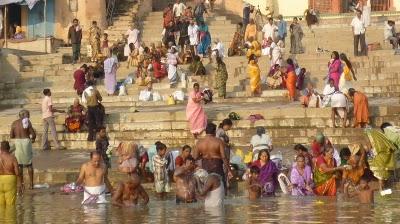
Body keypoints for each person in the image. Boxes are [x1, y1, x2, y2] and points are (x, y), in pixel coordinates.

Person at [194, 122, 233, 190]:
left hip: (205, 165)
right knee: (219, 186)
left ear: (206, 131)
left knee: (207, 186)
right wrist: (229, 170)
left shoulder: (199, 142)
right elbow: (223, 157)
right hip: (217, 165)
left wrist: (203, 155)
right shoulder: (219, 141)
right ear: (214, 131)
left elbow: (195, 157)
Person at [10, 110, 35, 190]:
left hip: (18, 142)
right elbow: (33, 134)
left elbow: (11, 135)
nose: (29, 116)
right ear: (23, 115)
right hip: (26, 142)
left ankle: (21, 184)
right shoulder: (27, 122)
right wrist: (33, 138)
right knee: (29, 164)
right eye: (28, 114)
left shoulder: (14, 123)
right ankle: (31, 185)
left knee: (19, 165)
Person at [0, 141, 22, 206]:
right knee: (10, 205)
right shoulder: (13, 158)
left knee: (1, 205)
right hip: (10, 180)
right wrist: (20, 184)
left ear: (0, 148)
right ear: (9, 148)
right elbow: (17, 172)